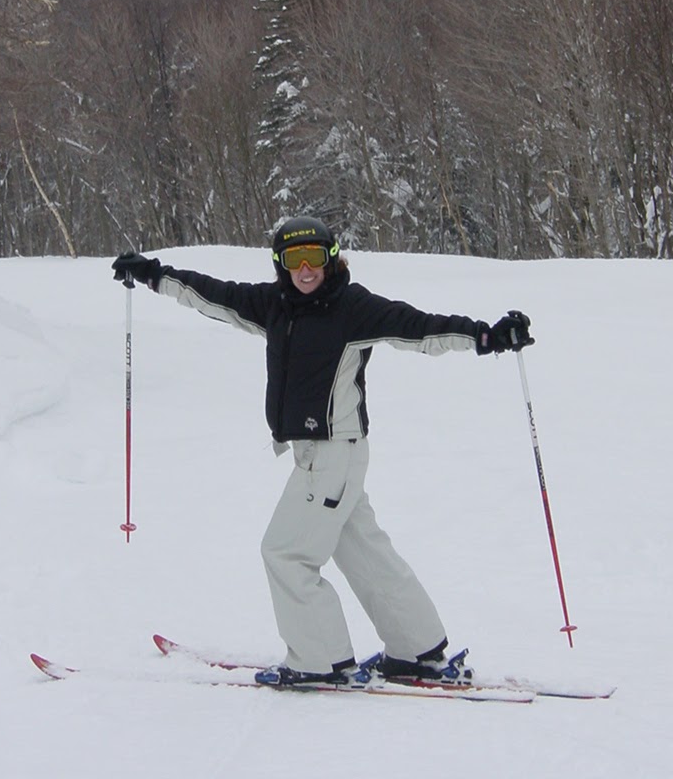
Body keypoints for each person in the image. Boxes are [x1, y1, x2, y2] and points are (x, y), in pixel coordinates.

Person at [112, 215, 534, 691]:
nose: (307, 268)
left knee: (286, 553)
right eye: (295, 259)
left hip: (333, 454)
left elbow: (421, 328)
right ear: (281, 263)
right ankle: (418, 652)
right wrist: (153, 275)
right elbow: (214, 294)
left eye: (316, 257)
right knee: (365, 553)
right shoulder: (275, 305)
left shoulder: (351, 308)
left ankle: (321, 661)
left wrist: (487, 337)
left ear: (331, 259)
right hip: (325, 456)